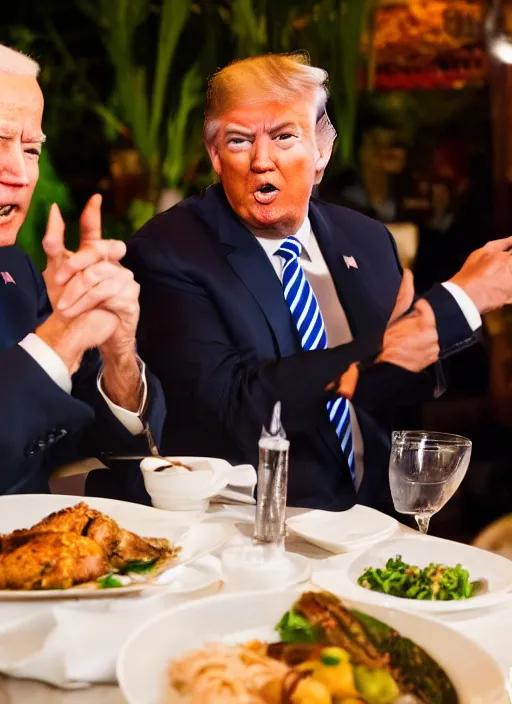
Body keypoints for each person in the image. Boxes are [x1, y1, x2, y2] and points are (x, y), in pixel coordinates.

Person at [125, 53, 512, 512]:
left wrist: (425, 339)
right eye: (238, 140)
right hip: (252, 531)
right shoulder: (170, 249)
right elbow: (234, 412)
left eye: (285, 136)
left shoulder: (366, 239)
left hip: (375, 519)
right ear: (214, 156)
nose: (262, 161)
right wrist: (434, 317)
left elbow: (402, 388)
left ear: (321, 151)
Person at [0, 44, 165, 499]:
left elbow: (104, 444)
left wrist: (117, 353)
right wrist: (65, 335)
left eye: (31, 149)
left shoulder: (15, 270)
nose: (20, 173)